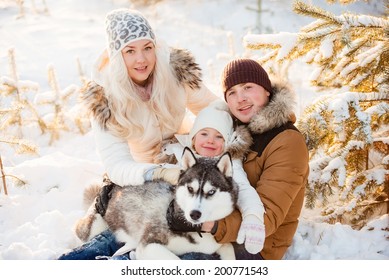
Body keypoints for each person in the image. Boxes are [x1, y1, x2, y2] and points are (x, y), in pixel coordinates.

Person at [58, 8, 218, 260]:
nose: (141, 59)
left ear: (156, 46)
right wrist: (157, 172)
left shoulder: (175, 74)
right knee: (131, 225)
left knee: (179, 228)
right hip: (138, 179)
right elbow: (116, 163)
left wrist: (212, 137)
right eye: (130, 51)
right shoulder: (105, 98)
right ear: (117, 56)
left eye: (147, 47)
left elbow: (213, 109)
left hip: (182, 164)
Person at [207, 58, 310, 260]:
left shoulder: (287, 141)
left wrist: (210, 224)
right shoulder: (232, 131)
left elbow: (267, 218)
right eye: (232, 93)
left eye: (247, 87)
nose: (240, 98)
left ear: (266, 91)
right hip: (220, 231)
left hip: (256, 246)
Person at [159, 103, 266, 257]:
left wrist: (253, 217)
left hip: (205, 235)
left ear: (227, 142)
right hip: (168, 228)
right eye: (204, 134)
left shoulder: (227, 165)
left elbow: (243, 189)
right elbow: (159, 178)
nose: (210, 141)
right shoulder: (182, 157)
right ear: (193, 138)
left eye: (219, 136)